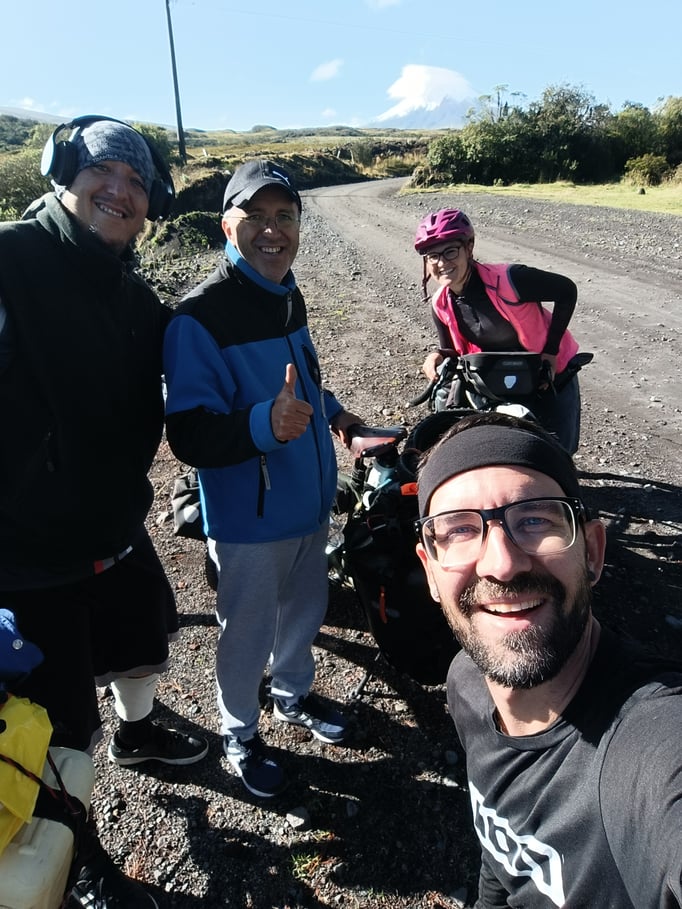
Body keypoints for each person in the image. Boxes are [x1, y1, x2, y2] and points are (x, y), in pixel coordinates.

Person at [0, 116, 208, 909]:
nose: (120, 189)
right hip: (26, 556)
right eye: (103, 171)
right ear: (63, 173)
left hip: (113, 532)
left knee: (145, 636)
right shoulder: (10, 260)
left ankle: (142, 732)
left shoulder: (136, 295)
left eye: (137, 180)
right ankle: (77, 856)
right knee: (55, 733)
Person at [414, 411, 682, 908]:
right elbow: (504, 854)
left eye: (535, 518)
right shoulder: (468, 684)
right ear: (430, 572)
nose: (502, 563)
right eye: (459, 530)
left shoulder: (652, 746)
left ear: (594, 552)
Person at [163, 159, 363, 799]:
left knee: (306, 609)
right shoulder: (199, 317)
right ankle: (239, 733)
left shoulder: (288, 293)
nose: (272, 232)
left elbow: (302, 382)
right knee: (246, 629)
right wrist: (260, 425)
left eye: (285, 217)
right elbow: (188, 434)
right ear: (228, 225)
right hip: (249, 521)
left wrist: (340, 417)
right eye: (257, 217)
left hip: (307, 506)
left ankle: (292, 695)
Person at [414, 208, 583, 453]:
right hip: (500, 379)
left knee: (559, 452)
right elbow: (453, 350)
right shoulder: (440, 303)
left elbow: (567, 291)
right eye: (432, 256)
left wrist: (551, 350)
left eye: (450, 251)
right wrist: (437, 356)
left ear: (469, 247)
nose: (442, 263)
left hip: (550, 375)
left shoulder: (511, 279)